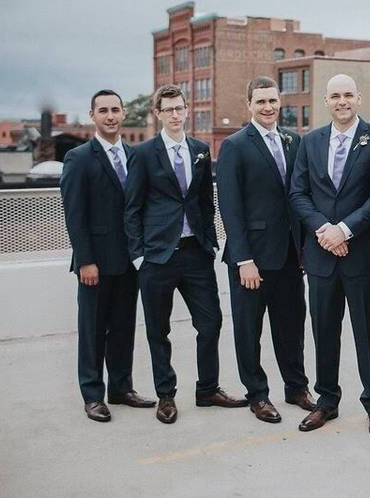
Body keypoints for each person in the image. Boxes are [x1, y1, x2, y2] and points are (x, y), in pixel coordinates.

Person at [124, 84, 246, 424]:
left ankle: (208, 389)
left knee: (211, 323)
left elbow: (206, 202)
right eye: (169, 110)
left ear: (186, 110)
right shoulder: (143, 154)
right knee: (158, 330)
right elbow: (132, 209)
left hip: (196, 255)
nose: (175, 115)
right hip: (156, 257)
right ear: (158, 114)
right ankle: (166, 394)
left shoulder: (201, 150)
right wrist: (138, 256)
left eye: (180, 108)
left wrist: (209, 243)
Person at [289, 74, 370, 437]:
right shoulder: (310, 142)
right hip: (321, 257)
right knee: (324, 332)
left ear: (359, 98)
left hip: (363, 256)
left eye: (348, 94)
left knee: (369, 334)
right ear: (326, 100)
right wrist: (324, 231)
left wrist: (344, 230)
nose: (342, 101)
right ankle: (327, 401)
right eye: (335, 95)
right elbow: (298, 194)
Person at [216, 76, 314, 425]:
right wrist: (244, 259)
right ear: (249, 105)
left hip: (290, 256)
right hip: (252, 259)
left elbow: (300, 197)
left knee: (291, 326)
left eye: (273, 101)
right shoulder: (235, 145)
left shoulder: (294, 141)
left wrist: (305, 250)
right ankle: (258, 394)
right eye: (261, 102)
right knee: (249, 330)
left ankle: (296, 387)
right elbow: (230, 207)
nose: (268, 107)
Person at [61, 89, 156, 422]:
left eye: (116, 109)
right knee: (92, 329)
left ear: (124, 113)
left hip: (130, 261)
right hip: (95, 263)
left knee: (123, 327)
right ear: (93, 116)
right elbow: (74, 214)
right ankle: (92, 395)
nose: (111, 116)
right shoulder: (79, 158)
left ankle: (120, 388)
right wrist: (85, 260)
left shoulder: (135, 155)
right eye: (103, 110)